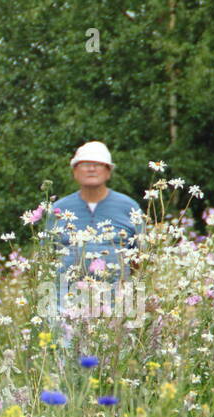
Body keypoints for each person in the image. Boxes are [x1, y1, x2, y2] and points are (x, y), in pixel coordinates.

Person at [42, 141, 144, 343]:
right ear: (74, 171)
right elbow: (47, 256)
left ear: (108, 171)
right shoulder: (58, 209)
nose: (91, 168)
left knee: (114, 363)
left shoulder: (129, 207)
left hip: (116, 302)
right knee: (66, 363)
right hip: (67, 301)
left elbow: (140, 258)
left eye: (97, 164)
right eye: (84, 164)